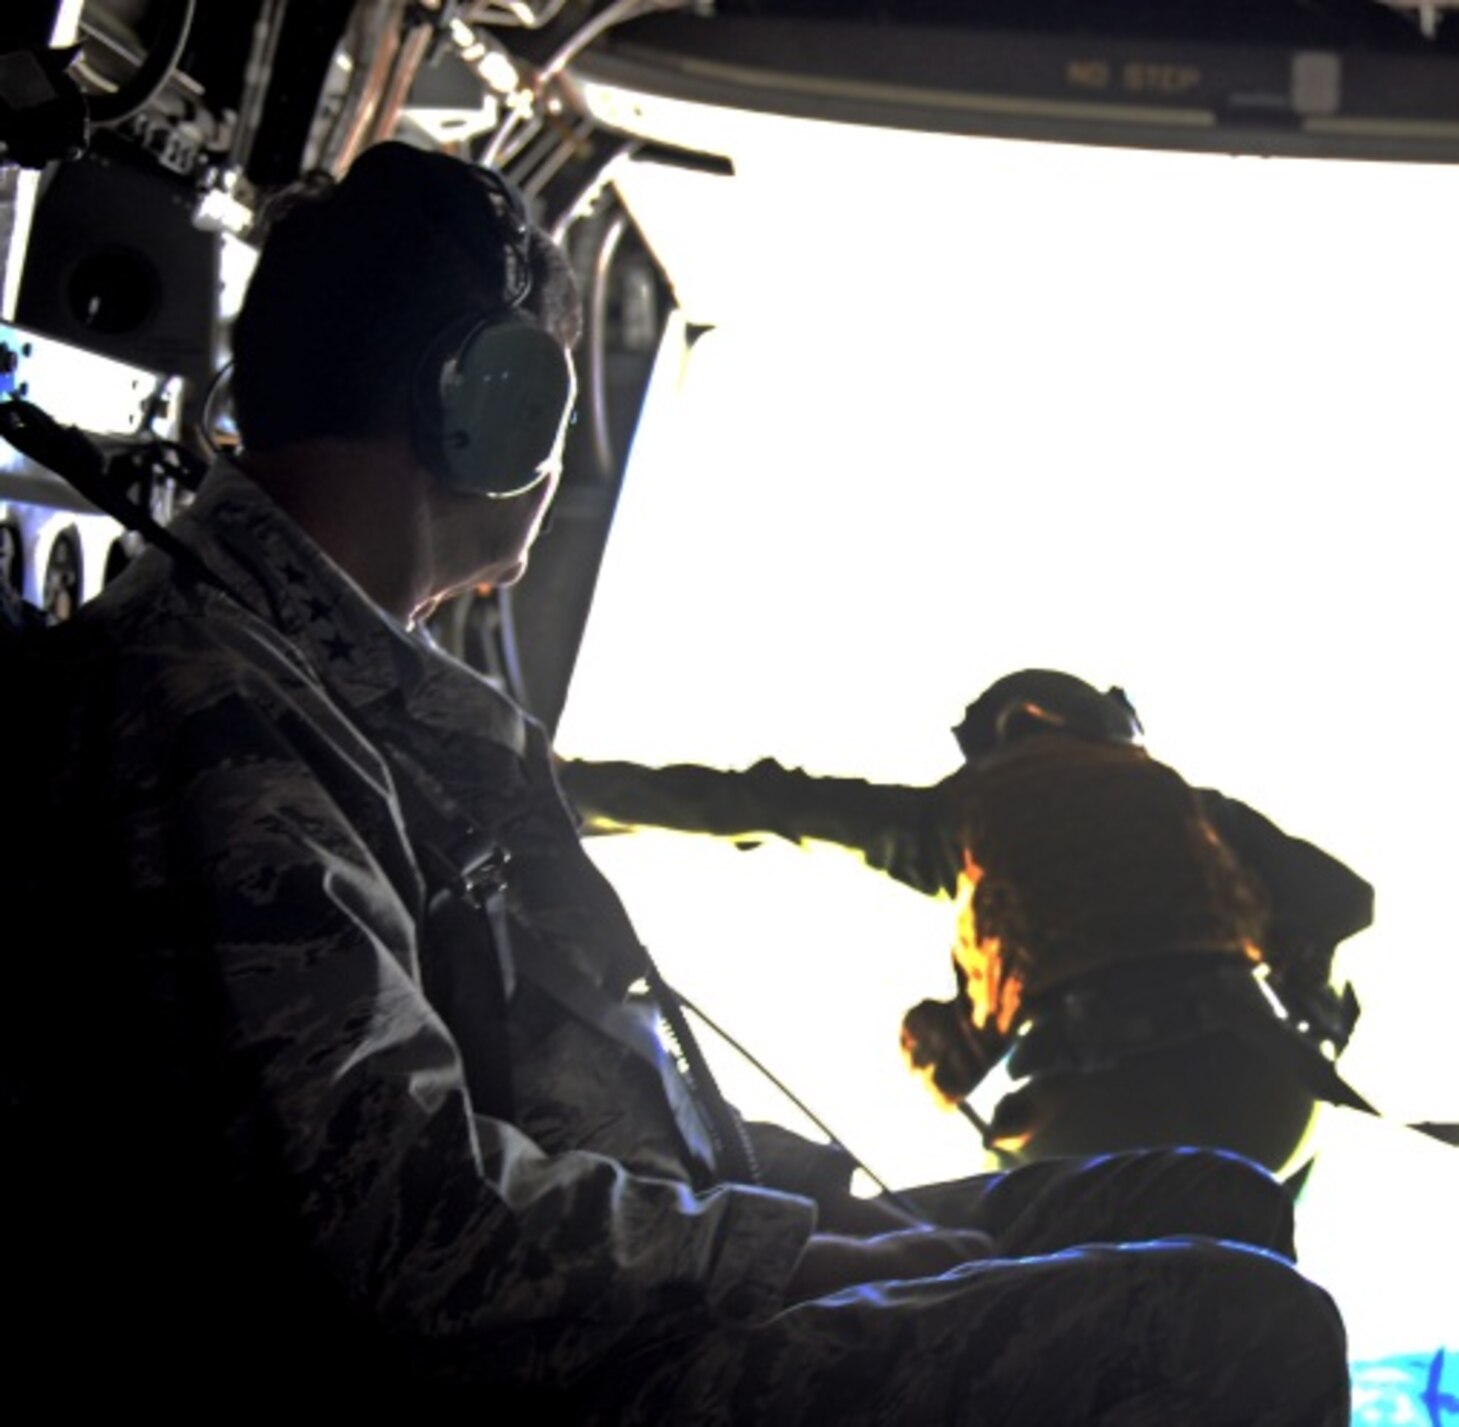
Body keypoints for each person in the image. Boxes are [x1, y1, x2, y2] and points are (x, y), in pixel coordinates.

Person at [7, 143, 1349, 1423]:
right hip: (570, 1364)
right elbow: (402, 1234)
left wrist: (831, 1209)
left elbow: (583, 1076)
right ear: (494, 399)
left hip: (657, 1258)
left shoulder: (345, 683)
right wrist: (801, 1257)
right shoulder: (216, 708)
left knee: (1219, 1197)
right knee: (1237, 1328)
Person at [562, 670, 1375, 1173]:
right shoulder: (1188, 806)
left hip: (1083, 1122)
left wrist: (571, 790)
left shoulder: (961, 816)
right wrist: (1305, 996)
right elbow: (1345, 900)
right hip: (1265, 1100)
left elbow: (759, 802)